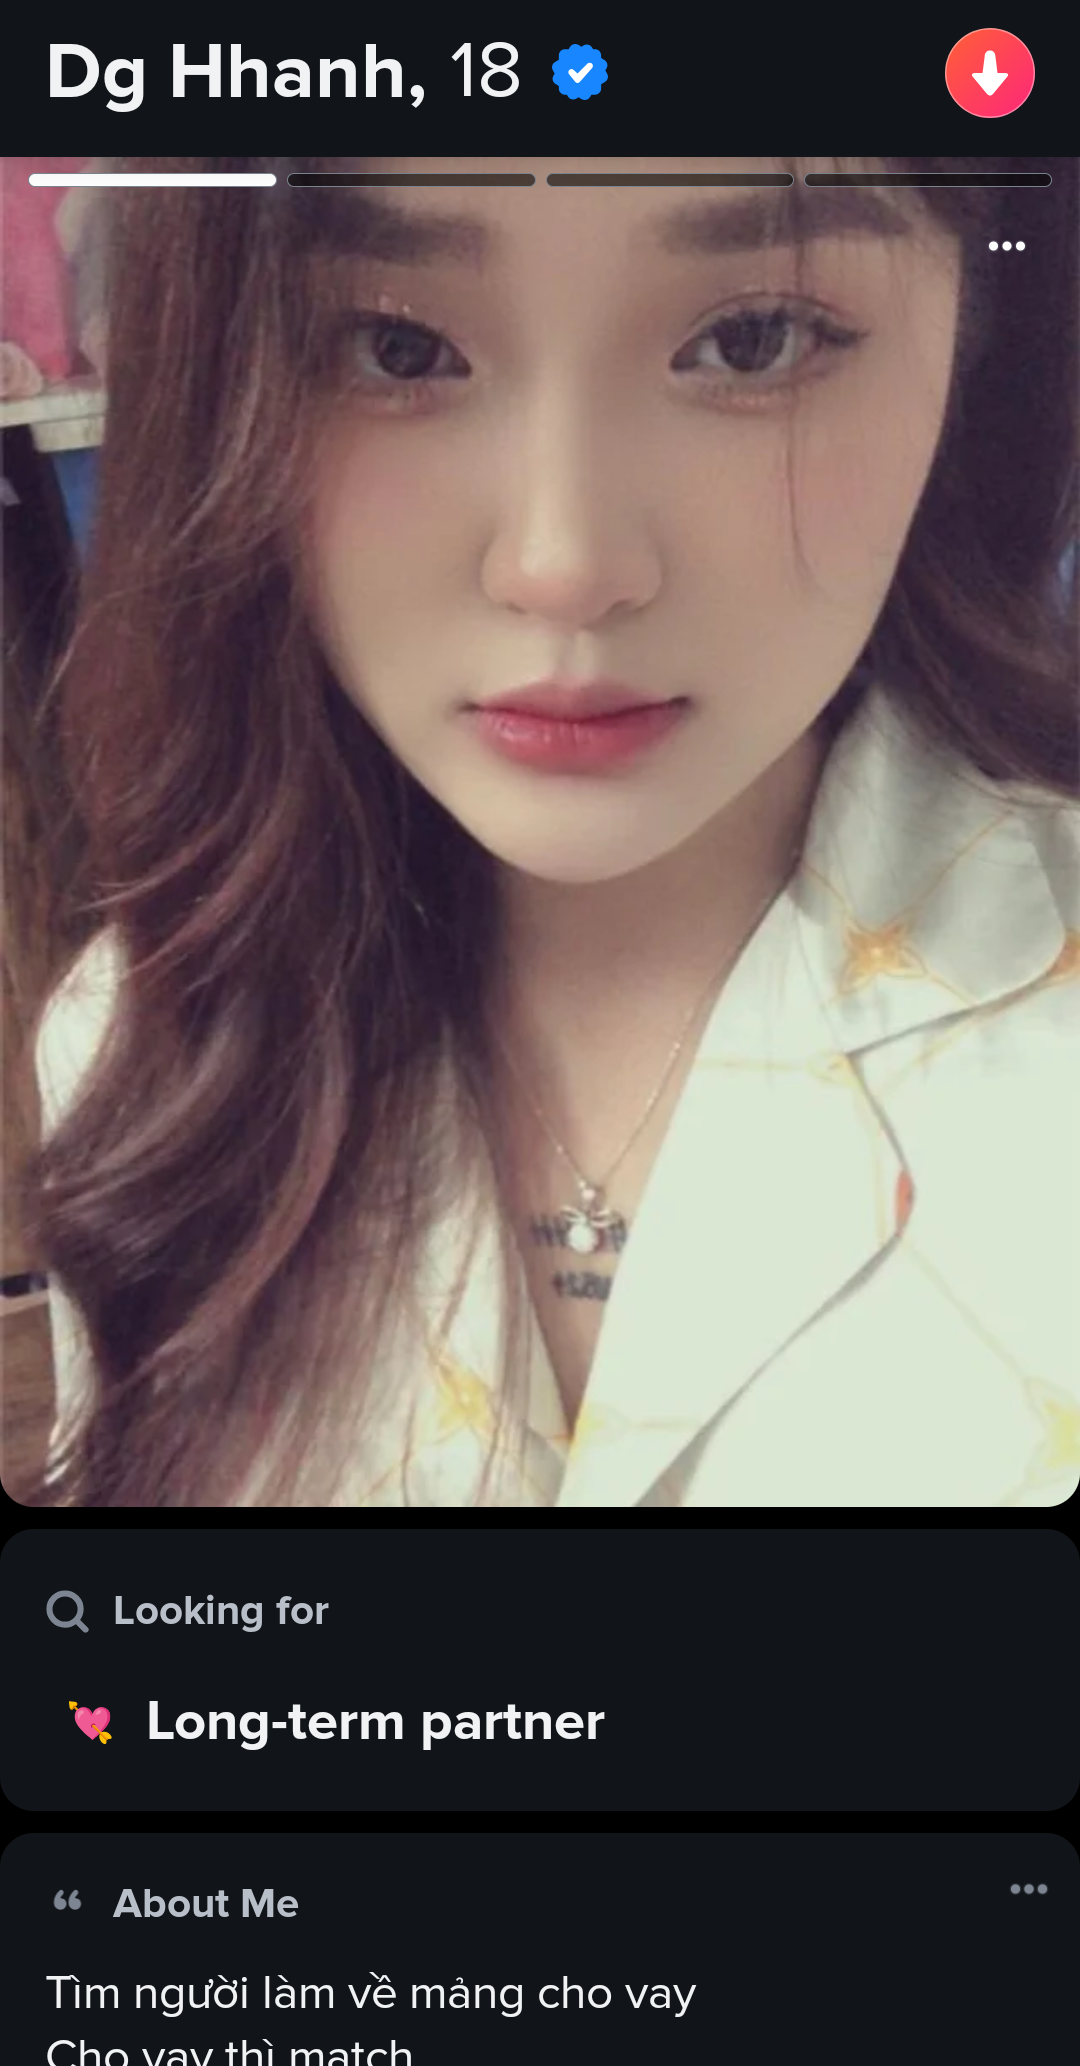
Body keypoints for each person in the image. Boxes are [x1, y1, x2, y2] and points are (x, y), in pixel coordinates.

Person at [18, 153, 1079, 1508]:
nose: (562, 564)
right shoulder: (140, 1042)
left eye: (754, 340)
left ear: (976, 341)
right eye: (398, 347)